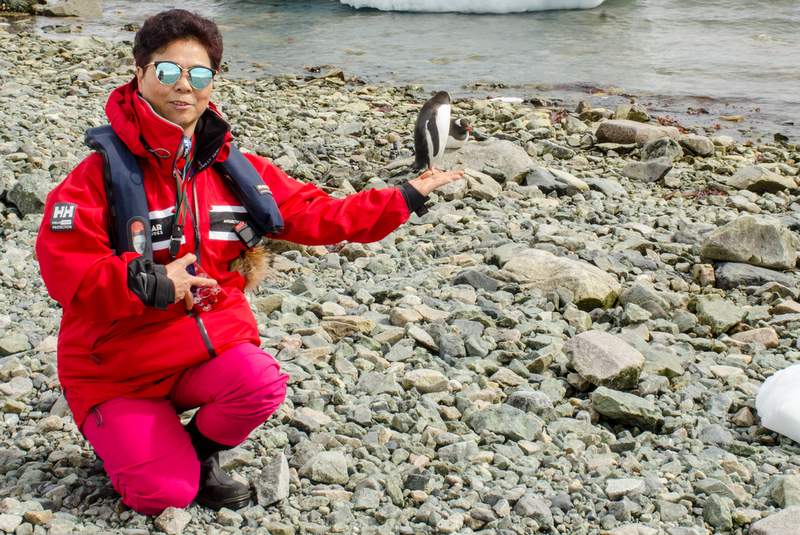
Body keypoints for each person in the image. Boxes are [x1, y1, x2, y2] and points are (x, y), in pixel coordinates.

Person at [35, 9, 463, 516]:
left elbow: (319, 213)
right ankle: (134, 440)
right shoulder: (96, 175)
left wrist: (404, 196)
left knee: (260, 380)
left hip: (197, 352)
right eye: (168, 72)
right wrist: (144, 281)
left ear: (213, 81)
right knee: (162, 497)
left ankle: (197, 452)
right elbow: (64, 267)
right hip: (117, 370)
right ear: (140, 74)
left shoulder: (234, 170)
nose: (184, 87)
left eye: (199, 74)